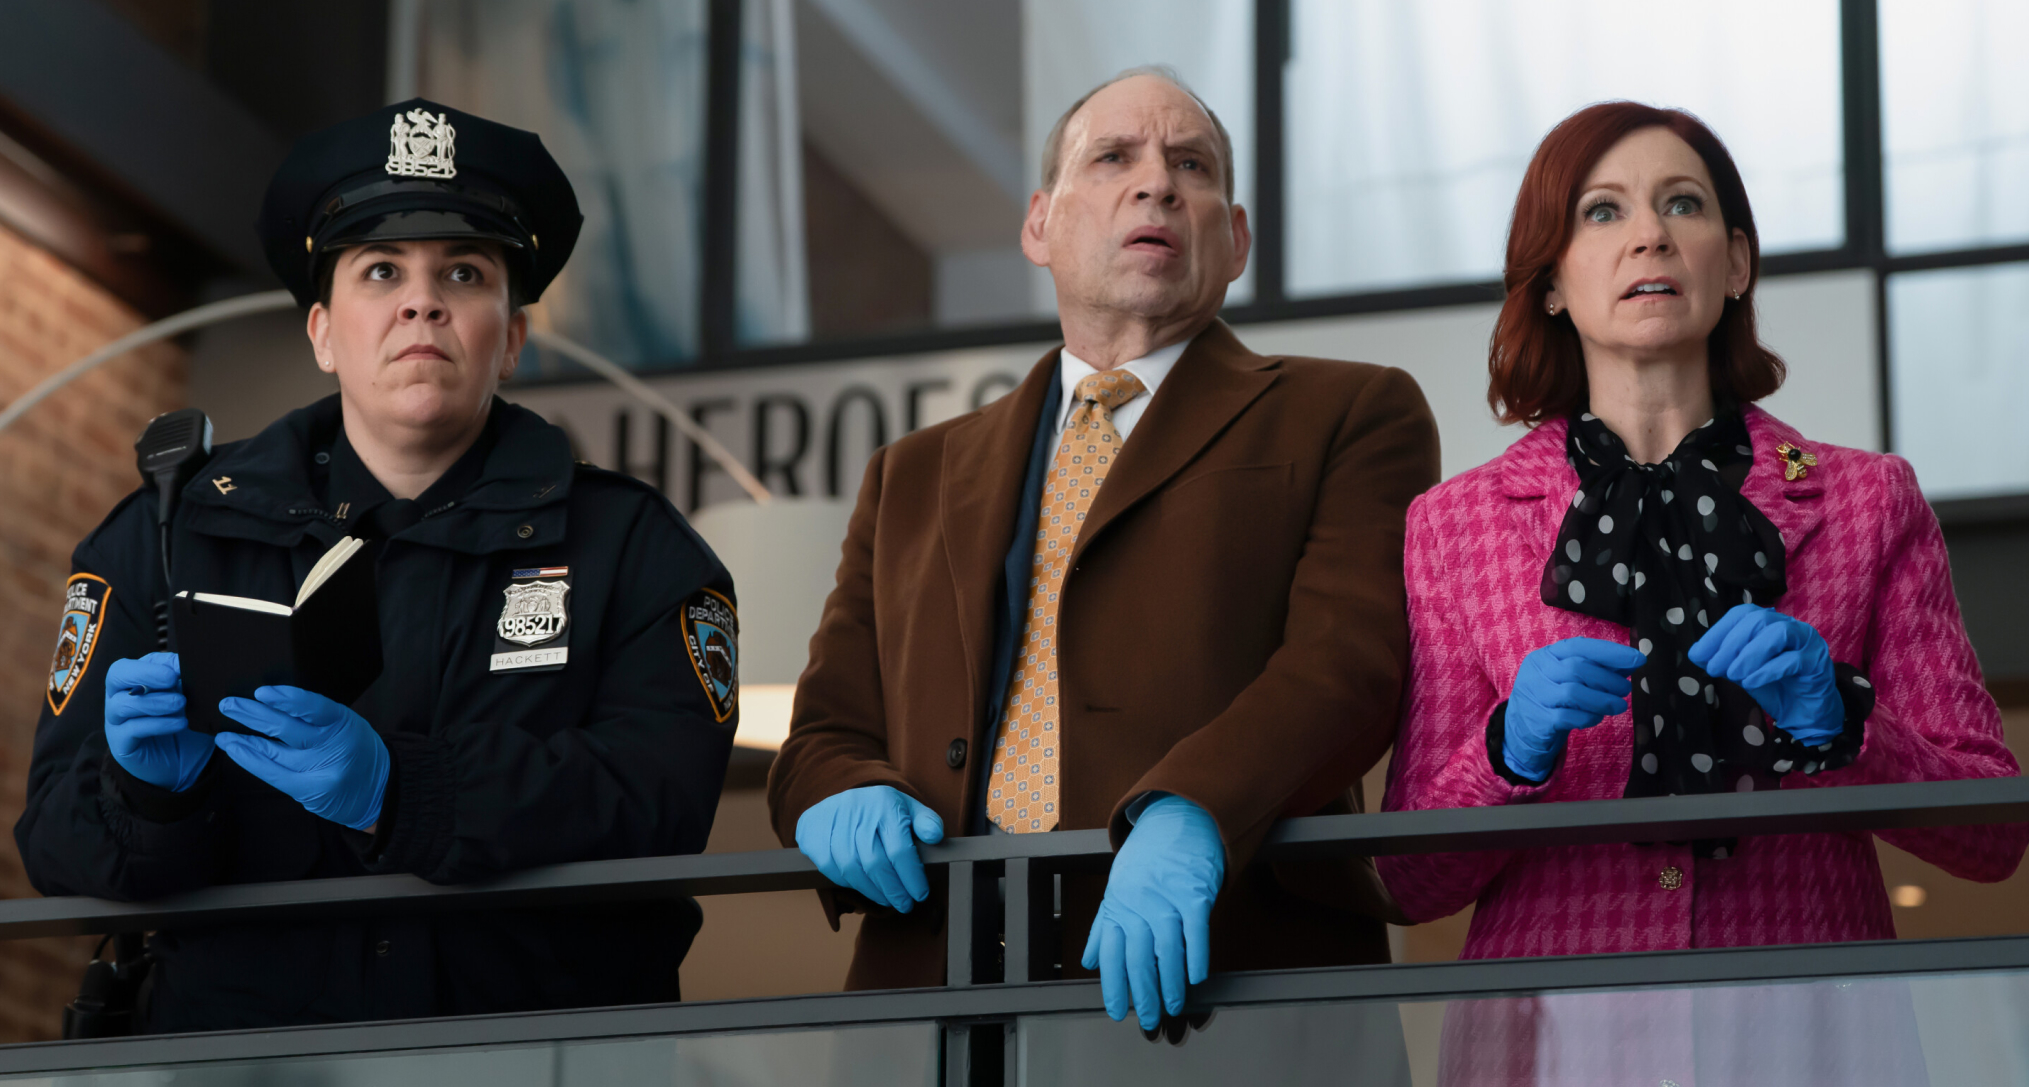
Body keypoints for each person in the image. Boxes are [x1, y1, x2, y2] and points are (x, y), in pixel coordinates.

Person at [16, 100, 738, 1032]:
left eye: (465, 273)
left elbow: (659, 806)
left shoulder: (633, 548)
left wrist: (402, 788)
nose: (421, 301)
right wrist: (149, 796)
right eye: (382, 270)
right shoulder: (165, 534)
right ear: (322, 332)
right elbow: (56, 850)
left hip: (532, 1057)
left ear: (510, 337)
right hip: (245, 1064)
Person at [766, 67, 1439, 1037]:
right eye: (1113, 157)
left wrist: (1194, 808)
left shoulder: (1351, 410)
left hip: (1224, 980)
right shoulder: (910, 473)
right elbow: (825, 729)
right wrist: (841, 791)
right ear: (1039, 224)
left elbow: (1350, 663)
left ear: (1236, 237)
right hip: (937, 989)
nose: (1155, 183)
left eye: (1191, 164)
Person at [1379, 102, 2028, 1084]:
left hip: (1810, 1019)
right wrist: (1507, 751)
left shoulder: (1868, 500)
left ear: (1733, 265)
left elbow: (1990, 834)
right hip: (1552, 1033)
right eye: (1602, 212)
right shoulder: (1452, 523)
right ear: (1550, 282)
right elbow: (1409, 876)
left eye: (1680, 204)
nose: (1648, 231)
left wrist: (1843, 722)